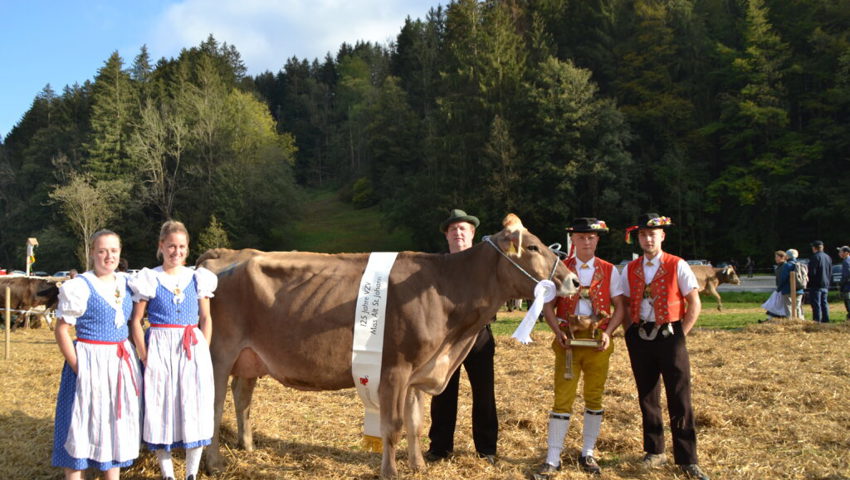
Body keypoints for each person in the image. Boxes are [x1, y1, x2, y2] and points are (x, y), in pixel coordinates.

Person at [533, 218, 625, 478]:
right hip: (568, 344)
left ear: (597, 240)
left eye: (591, 237)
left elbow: (620, 306)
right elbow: (548, 305)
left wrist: (608, 333)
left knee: (594, 396)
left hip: (598, 343)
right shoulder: (560, 268)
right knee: (562, 398)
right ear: (572, 240)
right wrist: (556, 331)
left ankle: (588, 452)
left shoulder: (609, 270)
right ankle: (553, 458)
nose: (586, 241)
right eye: (581, 237)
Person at [619, 213, 709, 480]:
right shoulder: (630, 268)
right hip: (640, 335)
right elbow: (623, 303)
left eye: (653, 235)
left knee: (679, 396)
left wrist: (681, 334)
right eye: (644, 235)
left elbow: (694, 303)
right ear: (638, 238)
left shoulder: (677, 264)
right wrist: (628, 333)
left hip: (670, 335)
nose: (648, 239)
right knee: (647, 396)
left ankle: (687, 458)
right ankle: (654, 451)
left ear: (662, 236)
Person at [129, 220, 217, 480]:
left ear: (188, 249)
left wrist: (204, 347)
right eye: (171, 246)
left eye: (181, 247)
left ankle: (191, 472)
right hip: (160, 347)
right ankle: (168, 474)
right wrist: (145, 355)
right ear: (161, 246)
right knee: (161, 404)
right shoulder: (150, 278)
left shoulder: (197, 278)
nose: (175, 251)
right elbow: (136, 321)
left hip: (191, 348)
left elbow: (206, 318)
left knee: (194, 404)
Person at [52, 230, 142, 479]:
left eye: (113, 251)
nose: (108, 256)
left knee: (114, 426)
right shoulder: (80, 285)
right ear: (92, 252)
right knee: (80, 426)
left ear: (120, 252)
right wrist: (78, 367)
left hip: (119, 364)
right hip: (89, 363)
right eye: (102, 251)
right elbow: (61, 330)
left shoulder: (127, 282)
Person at [425, 209, 498, 465]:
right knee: (442, 392)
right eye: (453, 229)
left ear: (472, 233)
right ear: (446, 236)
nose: (458, 233)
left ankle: (487, 450)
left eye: (463, 228)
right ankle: (440, 448)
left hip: (479, 337)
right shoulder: (438, 266)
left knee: (484, 394)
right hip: (446, 339)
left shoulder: (488, 264)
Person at [807, 240, 832, 323]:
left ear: (814, 248)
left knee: (816, 304)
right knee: (824, 303)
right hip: (825, 283)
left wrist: (808, 283)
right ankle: (826, 319)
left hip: (816, 284)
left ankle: (817, 320)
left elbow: (812, 272)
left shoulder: (815, 257)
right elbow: (830, 271)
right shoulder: (828, 257)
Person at [760, 251, 788, 322]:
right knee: (775, 304)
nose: (775, 258)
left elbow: (783, 279)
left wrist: (779, 288)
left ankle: (773, 319)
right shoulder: (779, 266)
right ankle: (771, 319)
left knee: (776, 305)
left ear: (782, 257)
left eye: (777, 257)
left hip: (782, 289)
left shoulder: (784, 266)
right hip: (779, 289)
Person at [779, 249, 805, 320]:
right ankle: (800, 321)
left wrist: (779, 288)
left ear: (787, 256)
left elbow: (783, 278)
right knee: (798, 306)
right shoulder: (801, 264)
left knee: (789, 307)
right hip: (799, 289)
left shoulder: (787, 265)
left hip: (788, 290)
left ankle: (791, 322)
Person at [838, 246, 850, 321]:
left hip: (847, 286)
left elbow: (846, 275)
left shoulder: (846, 262)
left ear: (846, 253)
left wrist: (841, 286)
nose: (839, 253)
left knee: (848, 303)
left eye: (841, 252)